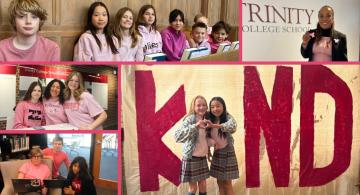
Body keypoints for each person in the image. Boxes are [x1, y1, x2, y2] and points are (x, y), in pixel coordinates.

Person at [174, 95, 210, 195]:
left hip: (202, 157)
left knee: (203, 184)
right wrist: (196, 126)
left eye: (204, 105)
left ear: (207, 107)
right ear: (193, 107)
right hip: (191, 157)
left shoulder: (207, 119)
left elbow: (204, 138)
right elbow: (177, 136)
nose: (201, 107)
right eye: (198, 105)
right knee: (193, 187)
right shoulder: (190, 119)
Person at [206, 97, 238, 195]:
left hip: (228, 152)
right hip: (217, 153)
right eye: (212, 107)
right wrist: (208, 150)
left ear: (223, 107)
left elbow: (232, 126)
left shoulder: (227, 117)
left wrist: (215, 126)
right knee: (219, 182)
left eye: (218, 106)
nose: (215, 109)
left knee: (227, 183)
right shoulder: (209, 119)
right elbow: (206, 136)